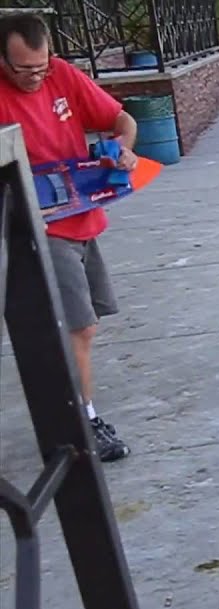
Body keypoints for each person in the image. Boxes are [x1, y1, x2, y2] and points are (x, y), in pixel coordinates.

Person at [0, 12, 137, 462]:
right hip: (40, 227)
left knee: (84, 328)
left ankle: (72, 416)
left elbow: (120, 119)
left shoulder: (62, 76)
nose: (35, 77)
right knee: (77, 328)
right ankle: (83, 421)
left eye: (41, 66)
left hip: (83, 213)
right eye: (23, 69)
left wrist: (124, 150)